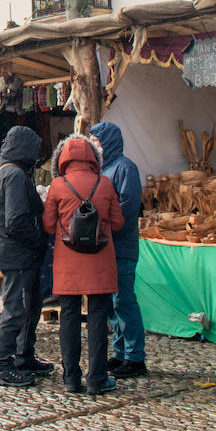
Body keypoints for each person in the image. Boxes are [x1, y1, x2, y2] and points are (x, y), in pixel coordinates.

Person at [43, 135, 124, 395]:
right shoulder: (105, 183)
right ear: (94, 158)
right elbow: (119, 222)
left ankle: (71, 377)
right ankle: (97, 378)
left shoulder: (57, 185)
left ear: (63, 159)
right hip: (100, 261)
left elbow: (47, 225)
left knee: (69, 317)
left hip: (68, 263)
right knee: (98, 318)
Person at [0, 125, 53, 387]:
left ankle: (23, 355)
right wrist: (38, 235)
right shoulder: (13, 174)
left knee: (27, 307)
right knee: (16, 308)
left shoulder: (1, 170)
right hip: (17, 253)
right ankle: (3, 365)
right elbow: (15, 220)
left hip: (14, 251)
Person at [93, 121, 146, 379]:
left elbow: (127, 206)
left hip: (122, 246)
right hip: (106, 247)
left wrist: (106, 226)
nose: (95, 146)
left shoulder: (126, 168)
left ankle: (135, 356)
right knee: (112, 304)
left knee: (124, 301)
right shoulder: (103, 169)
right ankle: (120, 352)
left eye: (98, 141)